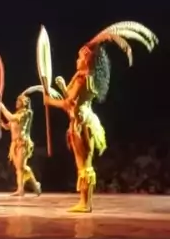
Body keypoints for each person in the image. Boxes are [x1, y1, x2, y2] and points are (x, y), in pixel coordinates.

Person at [42, 21, 158, 212]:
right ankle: (85, 202)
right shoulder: (85, 77)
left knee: (84, 164)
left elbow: (68, 103)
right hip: (84, 119)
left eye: (80, 57)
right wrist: (61, 87)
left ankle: (85, 203)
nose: (77, 60)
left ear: (86, 59)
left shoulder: (82, 78)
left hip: (82, 123)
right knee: (83, 163)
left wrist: (49, 101)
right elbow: (72, 98)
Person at [0, 93, 41, 196]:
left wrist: (3, 108)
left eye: (19, 101)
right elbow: (9, 126)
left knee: (21, 166)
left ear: (24, 103)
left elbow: (11, 118)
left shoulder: (26, 113)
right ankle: (26, 187)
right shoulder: (17, 114)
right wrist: (2, 124)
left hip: (22, 142)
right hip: (14, 144)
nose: (16, 102)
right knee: (19, 168)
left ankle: (28, 187)